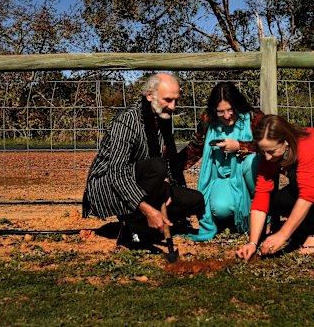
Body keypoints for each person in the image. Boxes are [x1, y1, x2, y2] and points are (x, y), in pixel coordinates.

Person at [82, 72, 205, 250]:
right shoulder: (127, 121)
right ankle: (132, 232)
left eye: (176, 100)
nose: (173, 106)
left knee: (195, 200)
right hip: (108, 185)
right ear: (149, 95)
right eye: (168, 100)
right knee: (157, 166)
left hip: (144, 180)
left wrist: (167, 183)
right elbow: (116, 173)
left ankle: (150, 224)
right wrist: (148, 209)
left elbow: (167, 162)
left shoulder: (162, 117)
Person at [236, 115, 314, 261]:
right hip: (312, 188)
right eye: (264, 151)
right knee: (278, 201)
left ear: (286, 141)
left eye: (271, 151)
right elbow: (261, 194)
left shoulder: (308, 142)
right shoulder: (269, 155)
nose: (267, 157)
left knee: (296, 176)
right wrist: (252, 242)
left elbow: (307, 195)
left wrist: (282, 235)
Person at [180, 82, 264, 241]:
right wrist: (169, 167)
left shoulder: (254, 118)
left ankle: (262, 211)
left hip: (253, 177)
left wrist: (240, 146)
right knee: (221, 208)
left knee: (251, 161)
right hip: (224, 177)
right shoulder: (208, 121)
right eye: (220, 112)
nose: (226, 116)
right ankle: (236, 219)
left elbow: (270, 148)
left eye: (230, 110)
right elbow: (193, 150)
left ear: (237, 105)